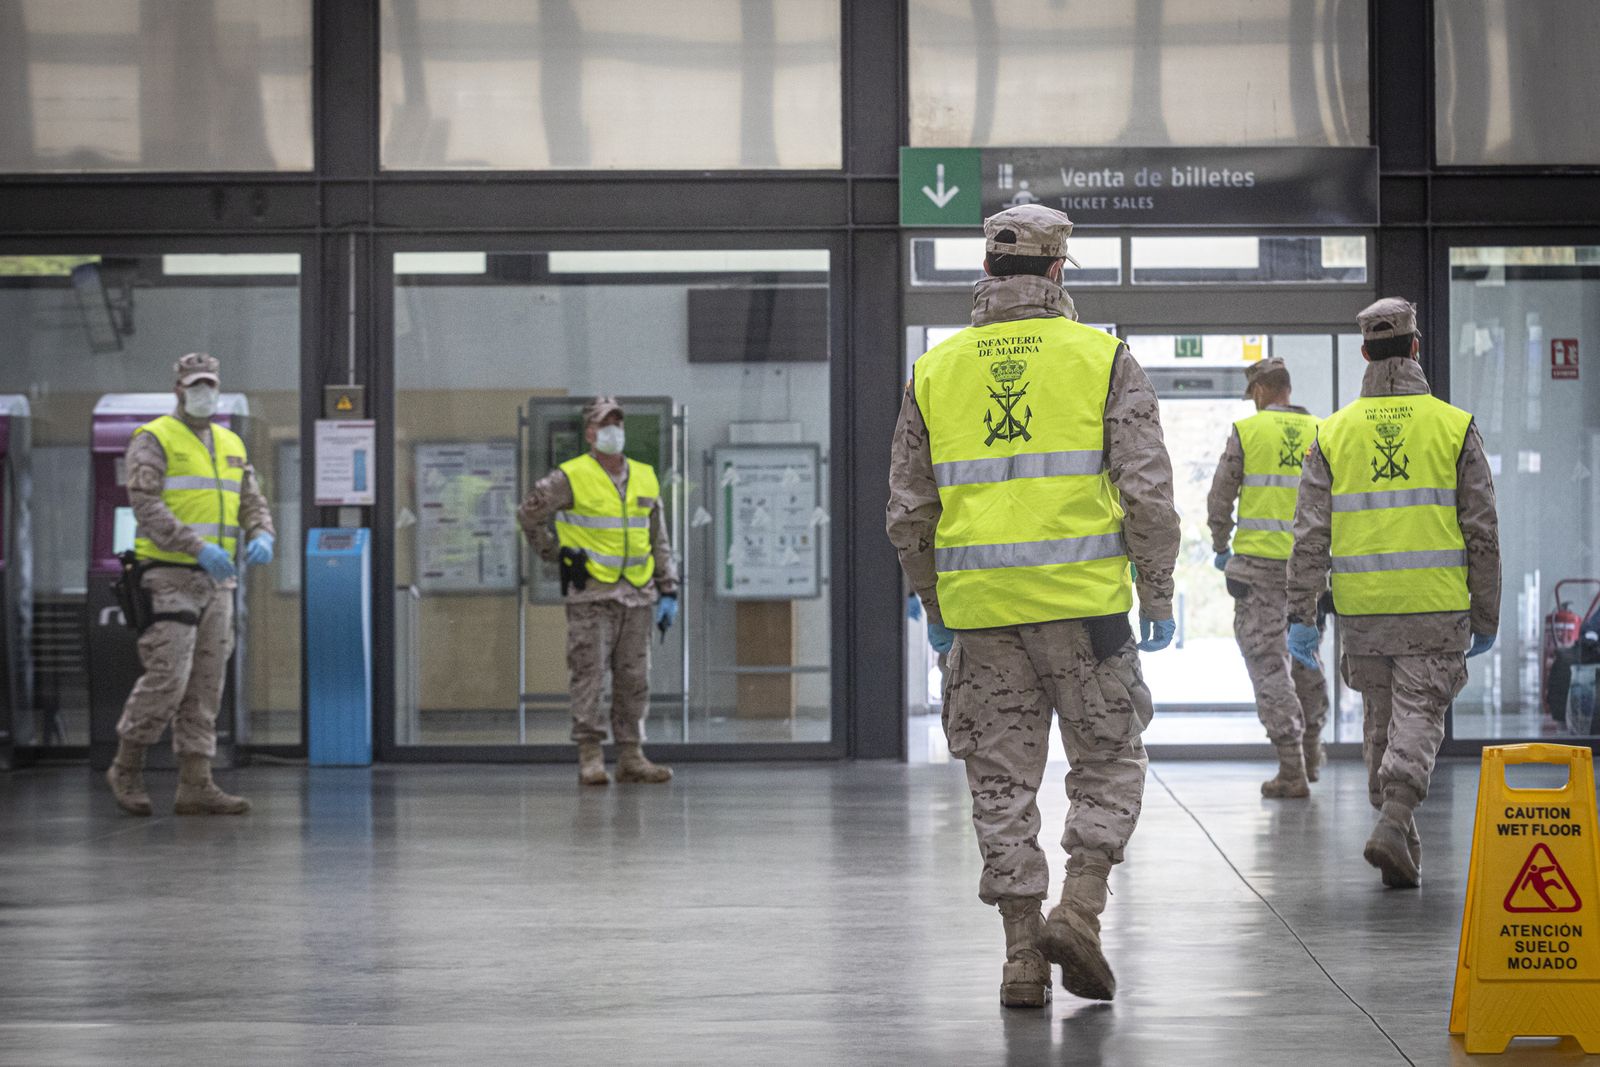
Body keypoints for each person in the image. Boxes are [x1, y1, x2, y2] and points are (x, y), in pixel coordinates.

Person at [887, 204, 1180, 1007]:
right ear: (1056, 271)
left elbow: (909, 508)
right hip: (1085, 614)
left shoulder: (935, 370)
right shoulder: (1102, 357)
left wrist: (931, 598)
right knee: (1110, 760)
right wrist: (1156, 589)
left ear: (987, 272)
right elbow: (1147, 490)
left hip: (981, 616)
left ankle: (1022, 956)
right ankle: (1078, 910)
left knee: (999, 782)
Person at [1286, 298, 1500, 888]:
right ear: (1414, 348)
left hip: (1364, 609)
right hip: (1436, 605)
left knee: (1381, 718)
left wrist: (1303, 613)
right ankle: (1396, 815)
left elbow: (1309, 535)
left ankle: (1401, 849)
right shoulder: (1453, 426)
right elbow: (1482, 529)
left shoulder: (1333, 432)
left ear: (1363, 353)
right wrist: (1486, 612)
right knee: (1420, 714)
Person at [105, 353, 274, 816]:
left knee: (205, 684)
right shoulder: (153, 438)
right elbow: (146, 506)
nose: (205, 393)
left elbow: (251, 502)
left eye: (211, 385)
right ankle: (127, 767)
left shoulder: (231, 442)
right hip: (168, 576)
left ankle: (196, 782)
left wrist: (262, 533)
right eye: (196, 385)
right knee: (168, 677)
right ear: (178, 389)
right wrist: (197, 547)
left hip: (217, 584)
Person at [519, 397, 677, 786]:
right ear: (589, 433)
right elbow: (529, 514)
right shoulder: (569, 477)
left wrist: (668, 586)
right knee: (589, 676)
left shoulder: (644, 475)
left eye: (618, 423)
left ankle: (631, 755)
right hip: (592, 595)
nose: (613, 431)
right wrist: (555, 554)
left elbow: (658, 536)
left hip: (638, 596)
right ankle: (590, 755)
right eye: (604, 424)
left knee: (634, 677)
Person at [1207, 358, 1329, 798]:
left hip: (1259, 572)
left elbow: (1220, 497)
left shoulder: (1248, 432)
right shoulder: (1323, 431)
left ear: (1259, 391)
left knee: (1268, 663)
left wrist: (1221, 546)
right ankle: (1313, 751)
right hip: (1311, 574)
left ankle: (1292, 767)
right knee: (1307, 659)